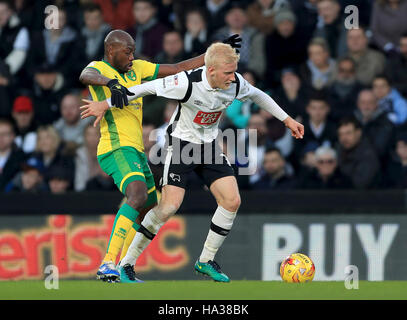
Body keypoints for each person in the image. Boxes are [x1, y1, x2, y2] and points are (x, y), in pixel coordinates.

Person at [80, 42, 304, 283]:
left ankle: (205, 260)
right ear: (211, 71)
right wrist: (105, 104)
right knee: (168, 207)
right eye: (227, 73)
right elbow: (144, 89)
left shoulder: (235, 83)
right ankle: (126, 264)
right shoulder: (185, 82)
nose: (233, 77)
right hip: (180, 146)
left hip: (208, 146)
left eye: (234, 71)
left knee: (232, 200)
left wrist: (287, 119)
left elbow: (258, 95)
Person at [78, 29, 241, 282]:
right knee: (137, 194)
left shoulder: (138, 69)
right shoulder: (98, 68)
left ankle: (124, 266)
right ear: (111, 50)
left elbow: (178, 68)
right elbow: (85, 75)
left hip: (137, 150)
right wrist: (110, 83)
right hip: (115, 147)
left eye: (133, 51)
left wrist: (212, 52)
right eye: (127, 51)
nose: (132, 56)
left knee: (149, 207)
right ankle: (107, 263)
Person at [337, 117, 380, 189]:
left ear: (358, 133)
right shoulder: (338, 150)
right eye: (341, 134)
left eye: (348, 133)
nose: (344, 138)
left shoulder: (368, 155)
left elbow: (360, 184)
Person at [353, 89, 395, 160]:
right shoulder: (351, 121)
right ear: (358, 104)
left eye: (370, 102)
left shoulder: (386, 124)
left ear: (376, 104)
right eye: (363, 102)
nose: (366, 106)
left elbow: (379, 150)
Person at [0, 118, 26, 192]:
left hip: (13, 200)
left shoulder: (22, 158)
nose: (1, 138)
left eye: (4, 134)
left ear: (12, 136)